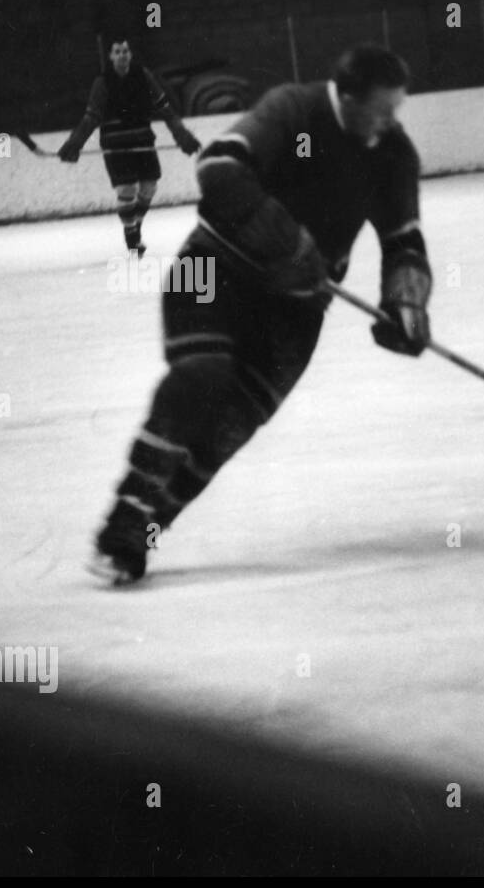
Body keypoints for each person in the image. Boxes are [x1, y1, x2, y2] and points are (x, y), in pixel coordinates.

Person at [87, 44, 433, 584]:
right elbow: (220, 166)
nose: (391, 122)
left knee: (227, 429)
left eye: (397, 109)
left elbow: (404, 241)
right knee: (200, 375)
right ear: (346, 97)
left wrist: (405, 302)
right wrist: (290, 243)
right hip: (212, 267)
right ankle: (123, 517)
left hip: (294, 312)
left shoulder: (393, 155)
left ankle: (146, 530)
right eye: (382, 109)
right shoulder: (292, 110)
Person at [58, 36, 202, 255]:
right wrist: (74, 144)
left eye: (125, 51)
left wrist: (182, 136)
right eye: (117, 52)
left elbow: (165, 110)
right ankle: (131, 234)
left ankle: (135, 227)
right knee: (127, 189)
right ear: (110, 57)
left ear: (131, 54)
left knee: (149, 187)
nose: (122, 56)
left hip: (143, 139)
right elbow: (91, 118)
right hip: (115, 143)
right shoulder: (102, 82)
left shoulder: (144, 76)